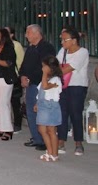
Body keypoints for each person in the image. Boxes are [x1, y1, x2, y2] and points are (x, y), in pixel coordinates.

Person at [20, 24, 56, 151]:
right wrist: (23, 76)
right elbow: (24, 65)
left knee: (41, 112)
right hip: (30, 84)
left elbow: (45, 67)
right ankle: (36, 138)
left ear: (36, 33)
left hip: (40, 84)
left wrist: (31, 79)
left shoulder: (47, 48)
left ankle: (43, 140)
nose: (26, 35)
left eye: (28, 33)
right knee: (30, 111)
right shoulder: (30, 48)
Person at [57, 27, 90, 156]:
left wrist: (54, 70)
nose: (62, 42)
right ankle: (61, 141)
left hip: (77, 86)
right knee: (62, 113)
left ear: (74, 40)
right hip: (63, 86)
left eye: (65, 40)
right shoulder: (63, 51)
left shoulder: (83, 52)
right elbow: (55, 64)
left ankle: (78, 142)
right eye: (62, 40)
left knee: (75, 114)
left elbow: (66, 69)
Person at [36, 55, 63, 161]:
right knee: (42, 129)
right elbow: (40, 91)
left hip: (50, 106)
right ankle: (50, 151)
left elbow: (45, 86)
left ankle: (54, 154)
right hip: (42, 105)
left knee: (51, 130)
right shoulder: (46, 78)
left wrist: (44, 73)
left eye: (44, 67)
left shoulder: (56, 79)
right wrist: (37, 103)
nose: (43, 68)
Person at [7, 26, 25, 133]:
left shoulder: (16, 45)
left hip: (15, 75)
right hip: (5, 76)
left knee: (15, 101)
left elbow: (21, 61)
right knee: (6, 101)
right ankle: (7, 122)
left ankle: (17, 124)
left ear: (12, 34)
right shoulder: (2, 45)